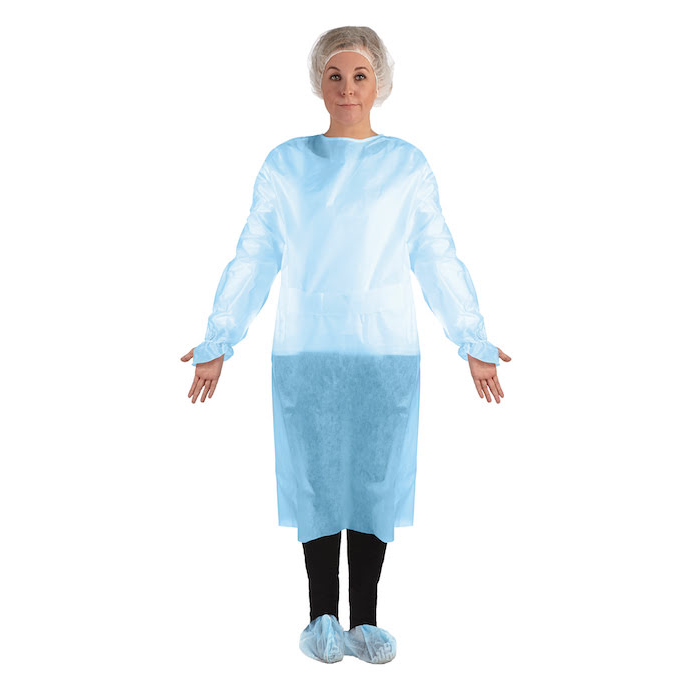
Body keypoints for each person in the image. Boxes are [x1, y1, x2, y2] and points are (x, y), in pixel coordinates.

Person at [181, 25, 511, 664]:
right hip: (308, 347)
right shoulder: (287, 165)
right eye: (335, 75)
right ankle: (321, 618)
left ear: (379, 82)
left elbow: (435, 253)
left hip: (385, 349)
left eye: (360, 75)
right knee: (317, 485)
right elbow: (256, 252)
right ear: (318, 82)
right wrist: (220, 336)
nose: (348, 88)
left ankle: (367, 621)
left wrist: (471, 336)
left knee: (373, 486)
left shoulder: (406, 166)